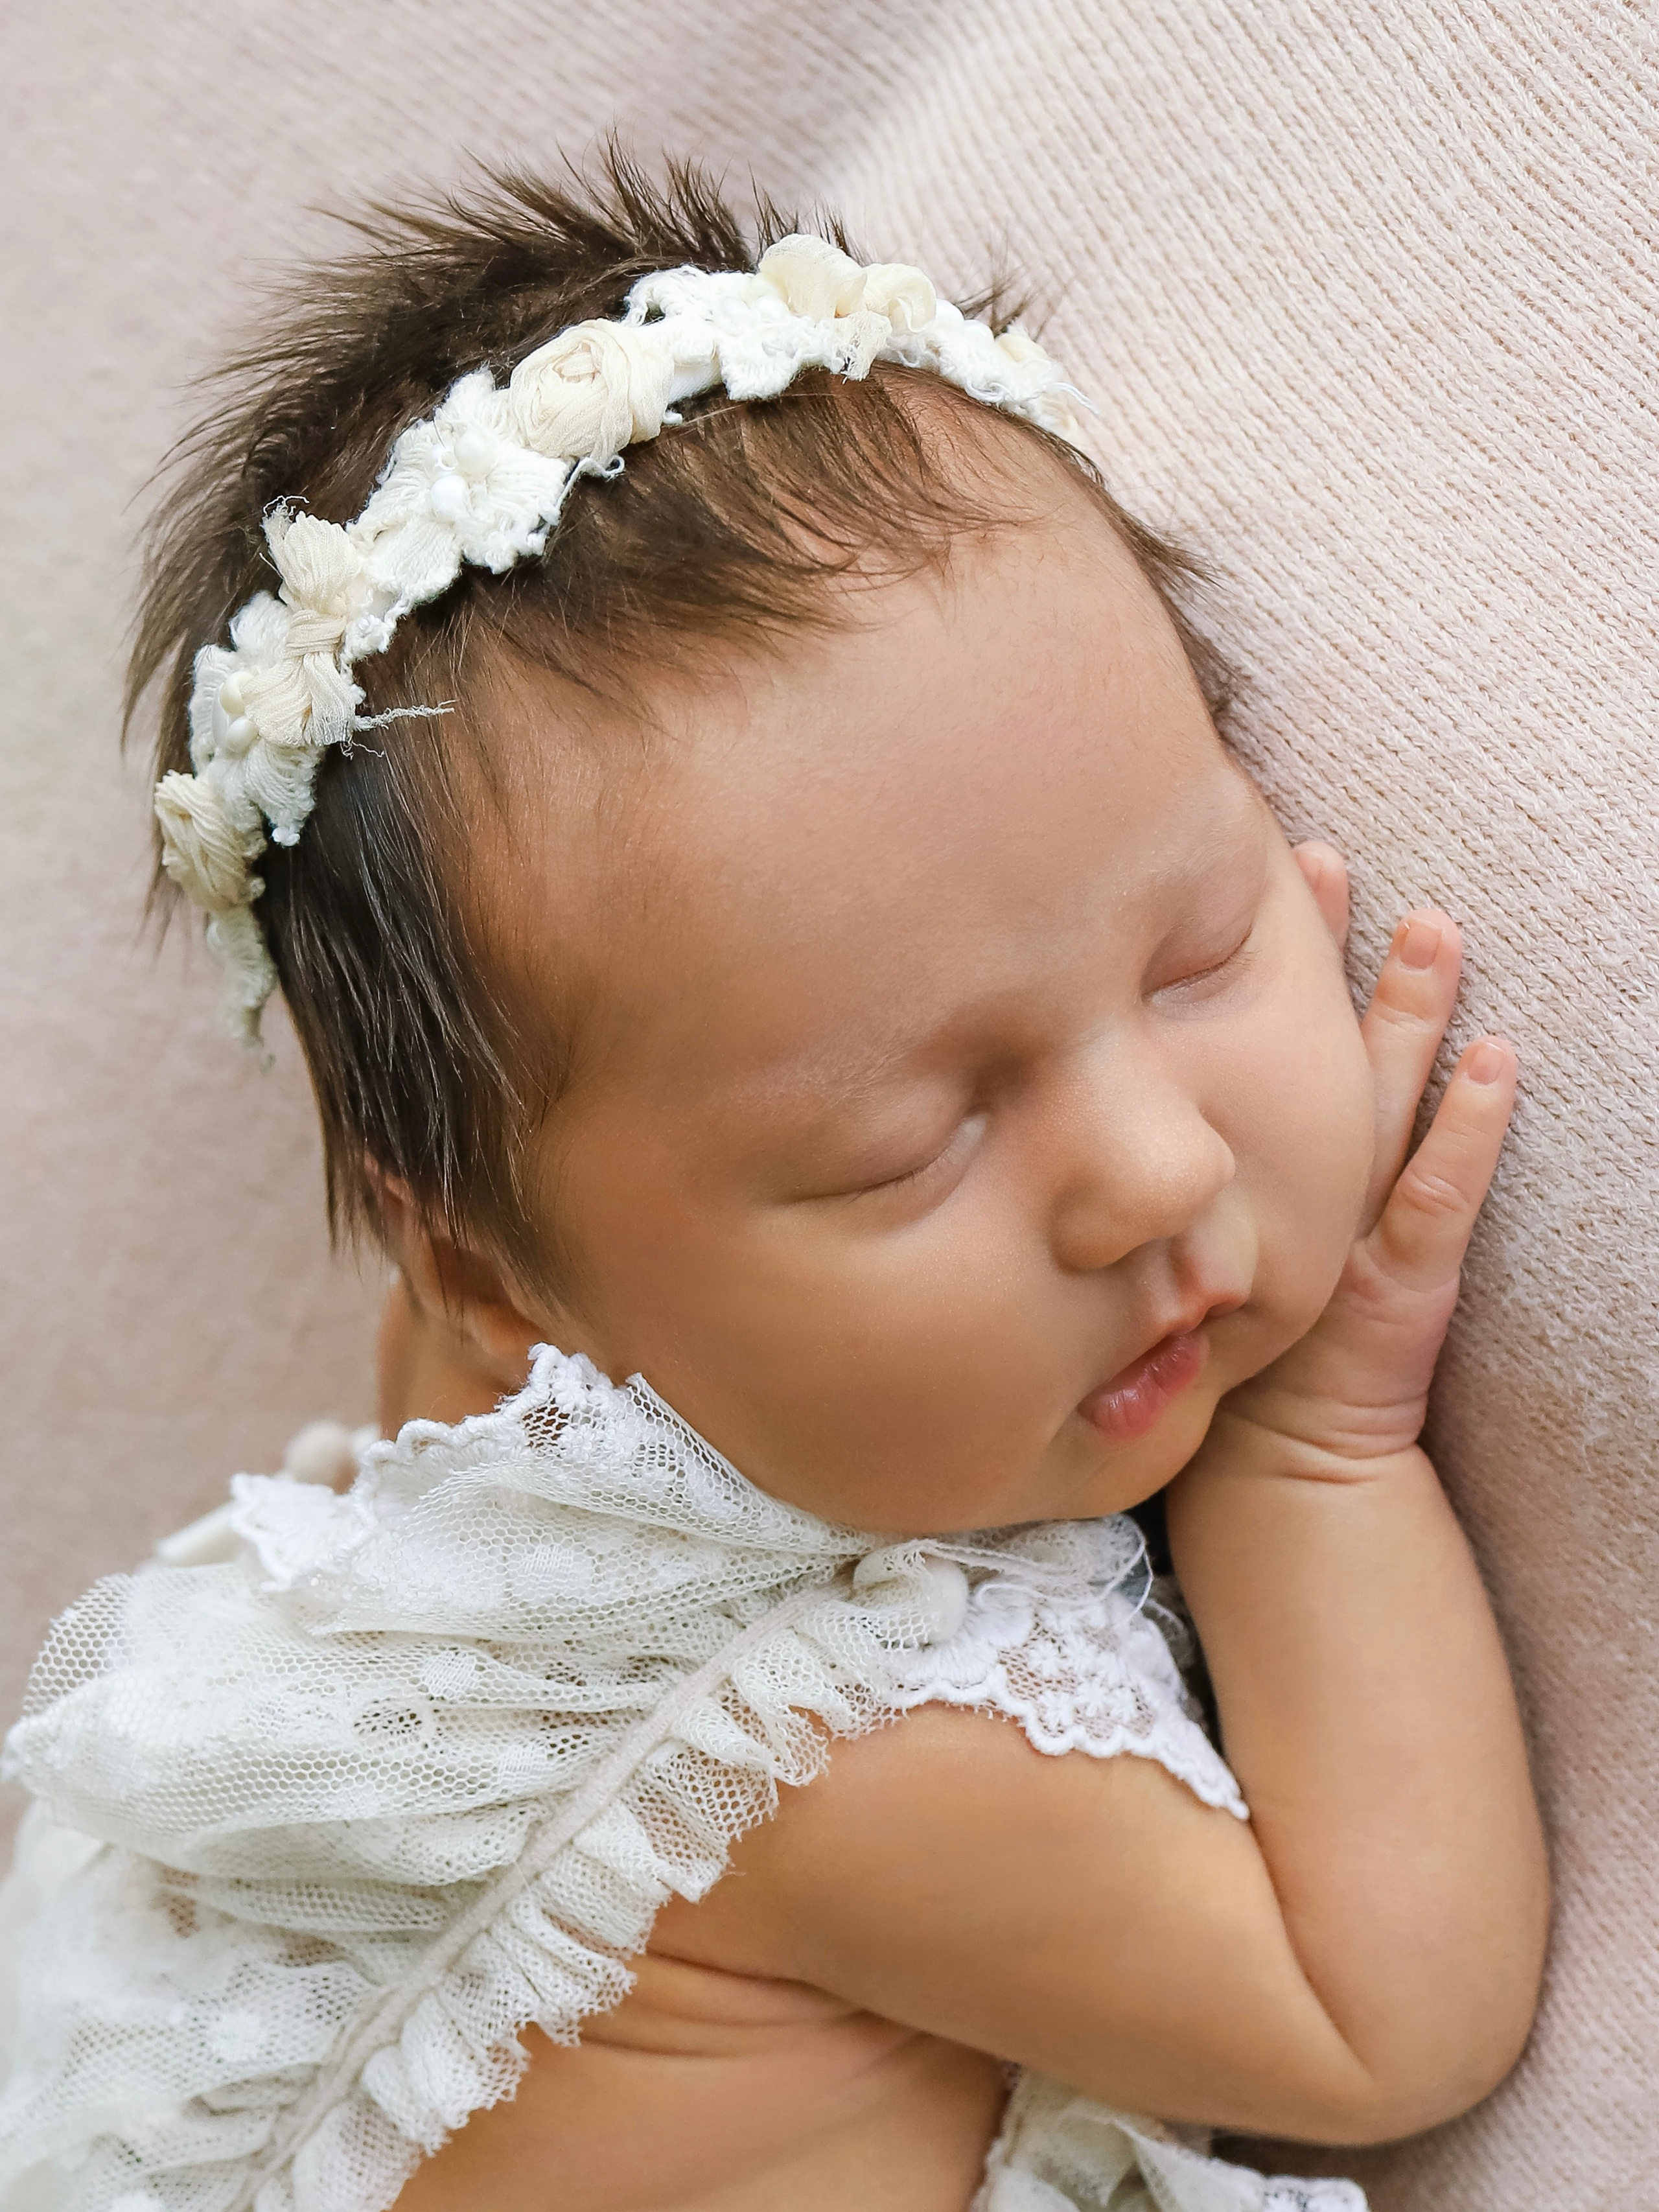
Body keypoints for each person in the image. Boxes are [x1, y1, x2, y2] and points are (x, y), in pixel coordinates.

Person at [0, 154, 1547, 2212]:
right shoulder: (804, 1763)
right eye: (914, 1143)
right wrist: (1318, 1443)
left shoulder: (522, 1434)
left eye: (1198, 952)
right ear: (510, 1288)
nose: (1158, 1170)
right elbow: (1385, 2017)